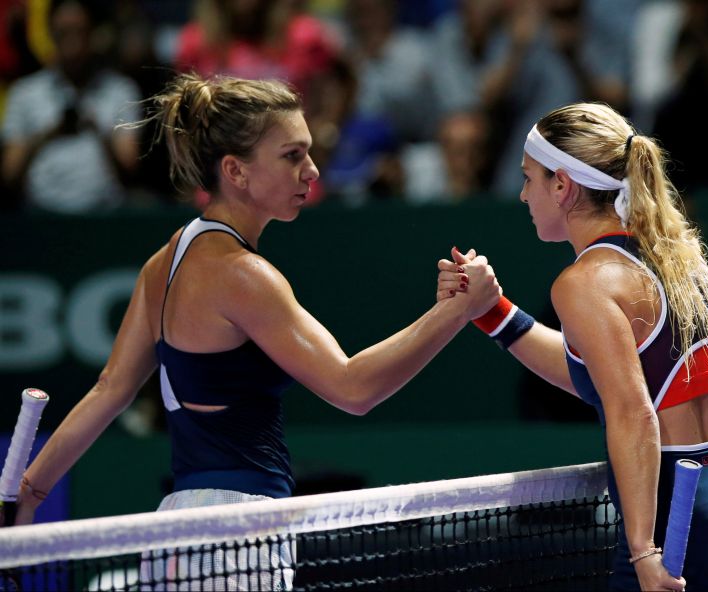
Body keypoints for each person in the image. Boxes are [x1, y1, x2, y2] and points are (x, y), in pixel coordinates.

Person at [11, 72, 500, 589]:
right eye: (291, 156)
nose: (311, 170)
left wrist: (29, 491)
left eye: (309, 153)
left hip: (174, 530)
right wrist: (457, 313)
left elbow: (109, 389)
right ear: (235, 171)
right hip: (240, 535)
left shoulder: (166, 259)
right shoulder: (245, 277)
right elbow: (353, 387)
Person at [438, 102, 708, 590]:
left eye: (529, 178)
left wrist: (643, 551)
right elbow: (602, 378)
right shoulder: (679, 257)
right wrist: (491, 311)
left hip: (684, 534)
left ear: (562, 186)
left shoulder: (583, 282)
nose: (523, 194)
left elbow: (633, 413)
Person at [0, 0, 142, 212]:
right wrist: (47, 134)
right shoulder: (24, 93)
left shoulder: (120, 90)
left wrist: (96, 128)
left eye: (79, 31)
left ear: (93, 34)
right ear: (50, 33)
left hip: (105, 216)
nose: (72, 42)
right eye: (63, 32)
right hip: (39, 218)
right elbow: (9, 173)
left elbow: (130, 165)